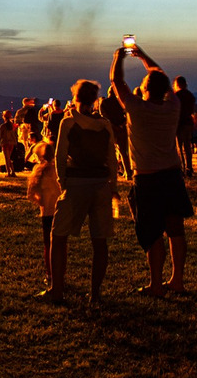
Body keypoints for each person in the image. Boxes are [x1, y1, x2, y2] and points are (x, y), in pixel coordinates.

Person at [110, 43, 193, 297]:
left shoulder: (137, 109)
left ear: (144, 90)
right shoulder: (173, 107)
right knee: (175, 228)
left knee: (152, 232)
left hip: (146, 178)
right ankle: (177, 280)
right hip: (172, 175)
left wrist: (118, 56)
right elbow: (161, 76)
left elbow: (116, 80)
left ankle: (156, 284)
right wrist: (142, 55)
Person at [41, 80, 118, 305]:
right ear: (95, 99)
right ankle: (95, 294)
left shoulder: (69, 121)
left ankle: (57, 290)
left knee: (59, 236)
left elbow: (60, 154)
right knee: (100, 240)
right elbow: (111, 158)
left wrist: (62, 182)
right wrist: (112, 187)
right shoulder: (104, 124)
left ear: (75, 97)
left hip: (76, 184)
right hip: (101, 184)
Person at [27, 140, 60, 287]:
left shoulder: (39, 171)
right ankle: (57, 272)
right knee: (59, 244)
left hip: (47, 212)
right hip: (59, 209)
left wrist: (40, 202)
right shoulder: (58, 169)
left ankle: (50, 273)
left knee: (49, 244)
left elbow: (30, 194)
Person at [99, 86, 133, 180]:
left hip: (110, 130)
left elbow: (104, 117)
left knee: (110, 152)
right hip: (122, 129)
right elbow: (126, 114)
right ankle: (128, 172)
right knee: (123, 152)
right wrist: (121, 125)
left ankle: (110, 173)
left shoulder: (104, 103)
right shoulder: (121, 102)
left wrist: (113, 126)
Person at [172, 77, 196, 177]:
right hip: (188, 123)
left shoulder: (176, 96)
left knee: (179, 148)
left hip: (179, 123)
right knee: (187, 147)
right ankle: (189, 167)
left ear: (177, 84)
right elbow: (192, 109)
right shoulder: (190, 95)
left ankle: (181, 168)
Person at [0, 111, 18, 177]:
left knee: (7, 159)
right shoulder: (13, 126)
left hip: (5, 142)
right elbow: (15, 134)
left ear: (3, 117)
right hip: (12, 143)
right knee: (9, 158)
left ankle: (9, 173)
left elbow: (1, 135)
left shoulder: (2, 126)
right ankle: (13, 171)